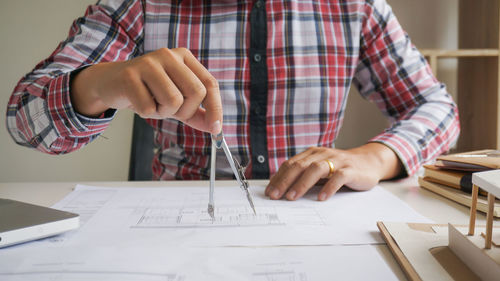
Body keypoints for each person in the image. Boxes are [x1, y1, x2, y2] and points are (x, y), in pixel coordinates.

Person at [6, 0, 460, 202]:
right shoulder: (140, 4)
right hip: (175, 225)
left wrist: (377, 157)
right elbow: (23, 120)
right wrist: (102, 83)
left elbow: (437, 108)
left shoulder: (355, 6)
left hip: (315, 218)